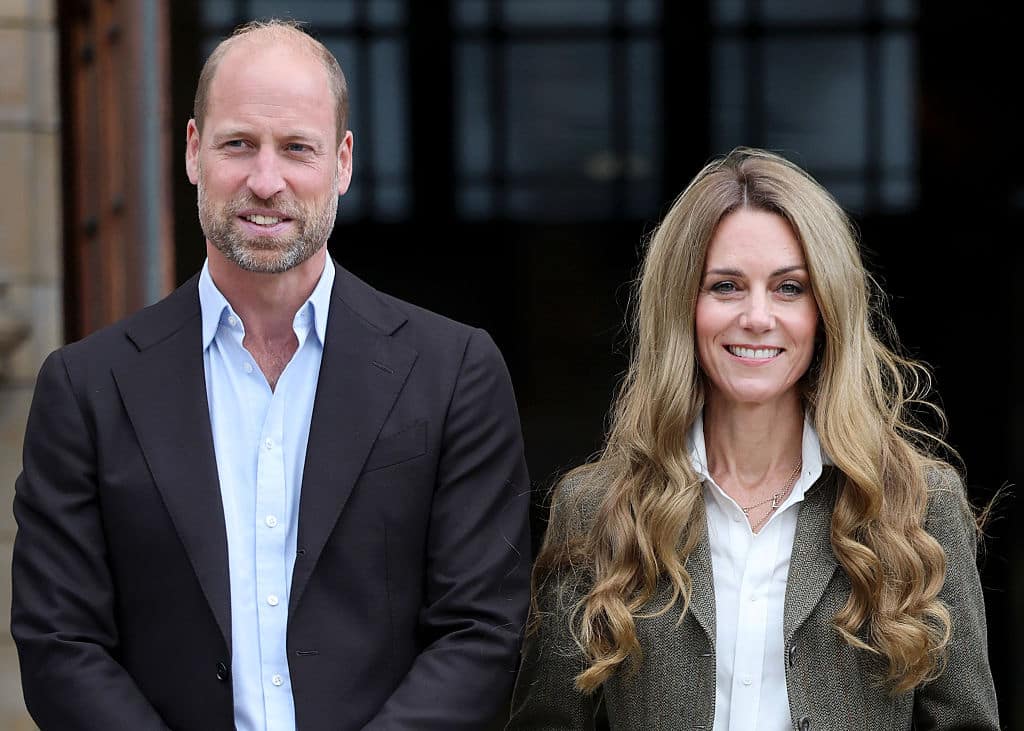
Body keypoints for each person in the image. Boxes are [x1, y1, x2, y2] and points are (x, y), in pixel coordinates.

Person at [12, 19, 530, 731]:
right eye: (237, 144)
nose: (265, 181)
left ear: (342, 162)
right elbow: (58, 644)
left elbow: (481, 629)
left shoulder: (455, 373)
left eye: (296, 148)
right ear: (193, 151)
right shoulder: (85, 388)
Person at [507, 147, 998, 730]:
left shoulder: (916, 503)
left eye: (789, 288)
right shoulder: (596, 508)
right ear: (682, 305)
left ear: (826, 310)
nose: (758, 317)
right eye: (726, 286)